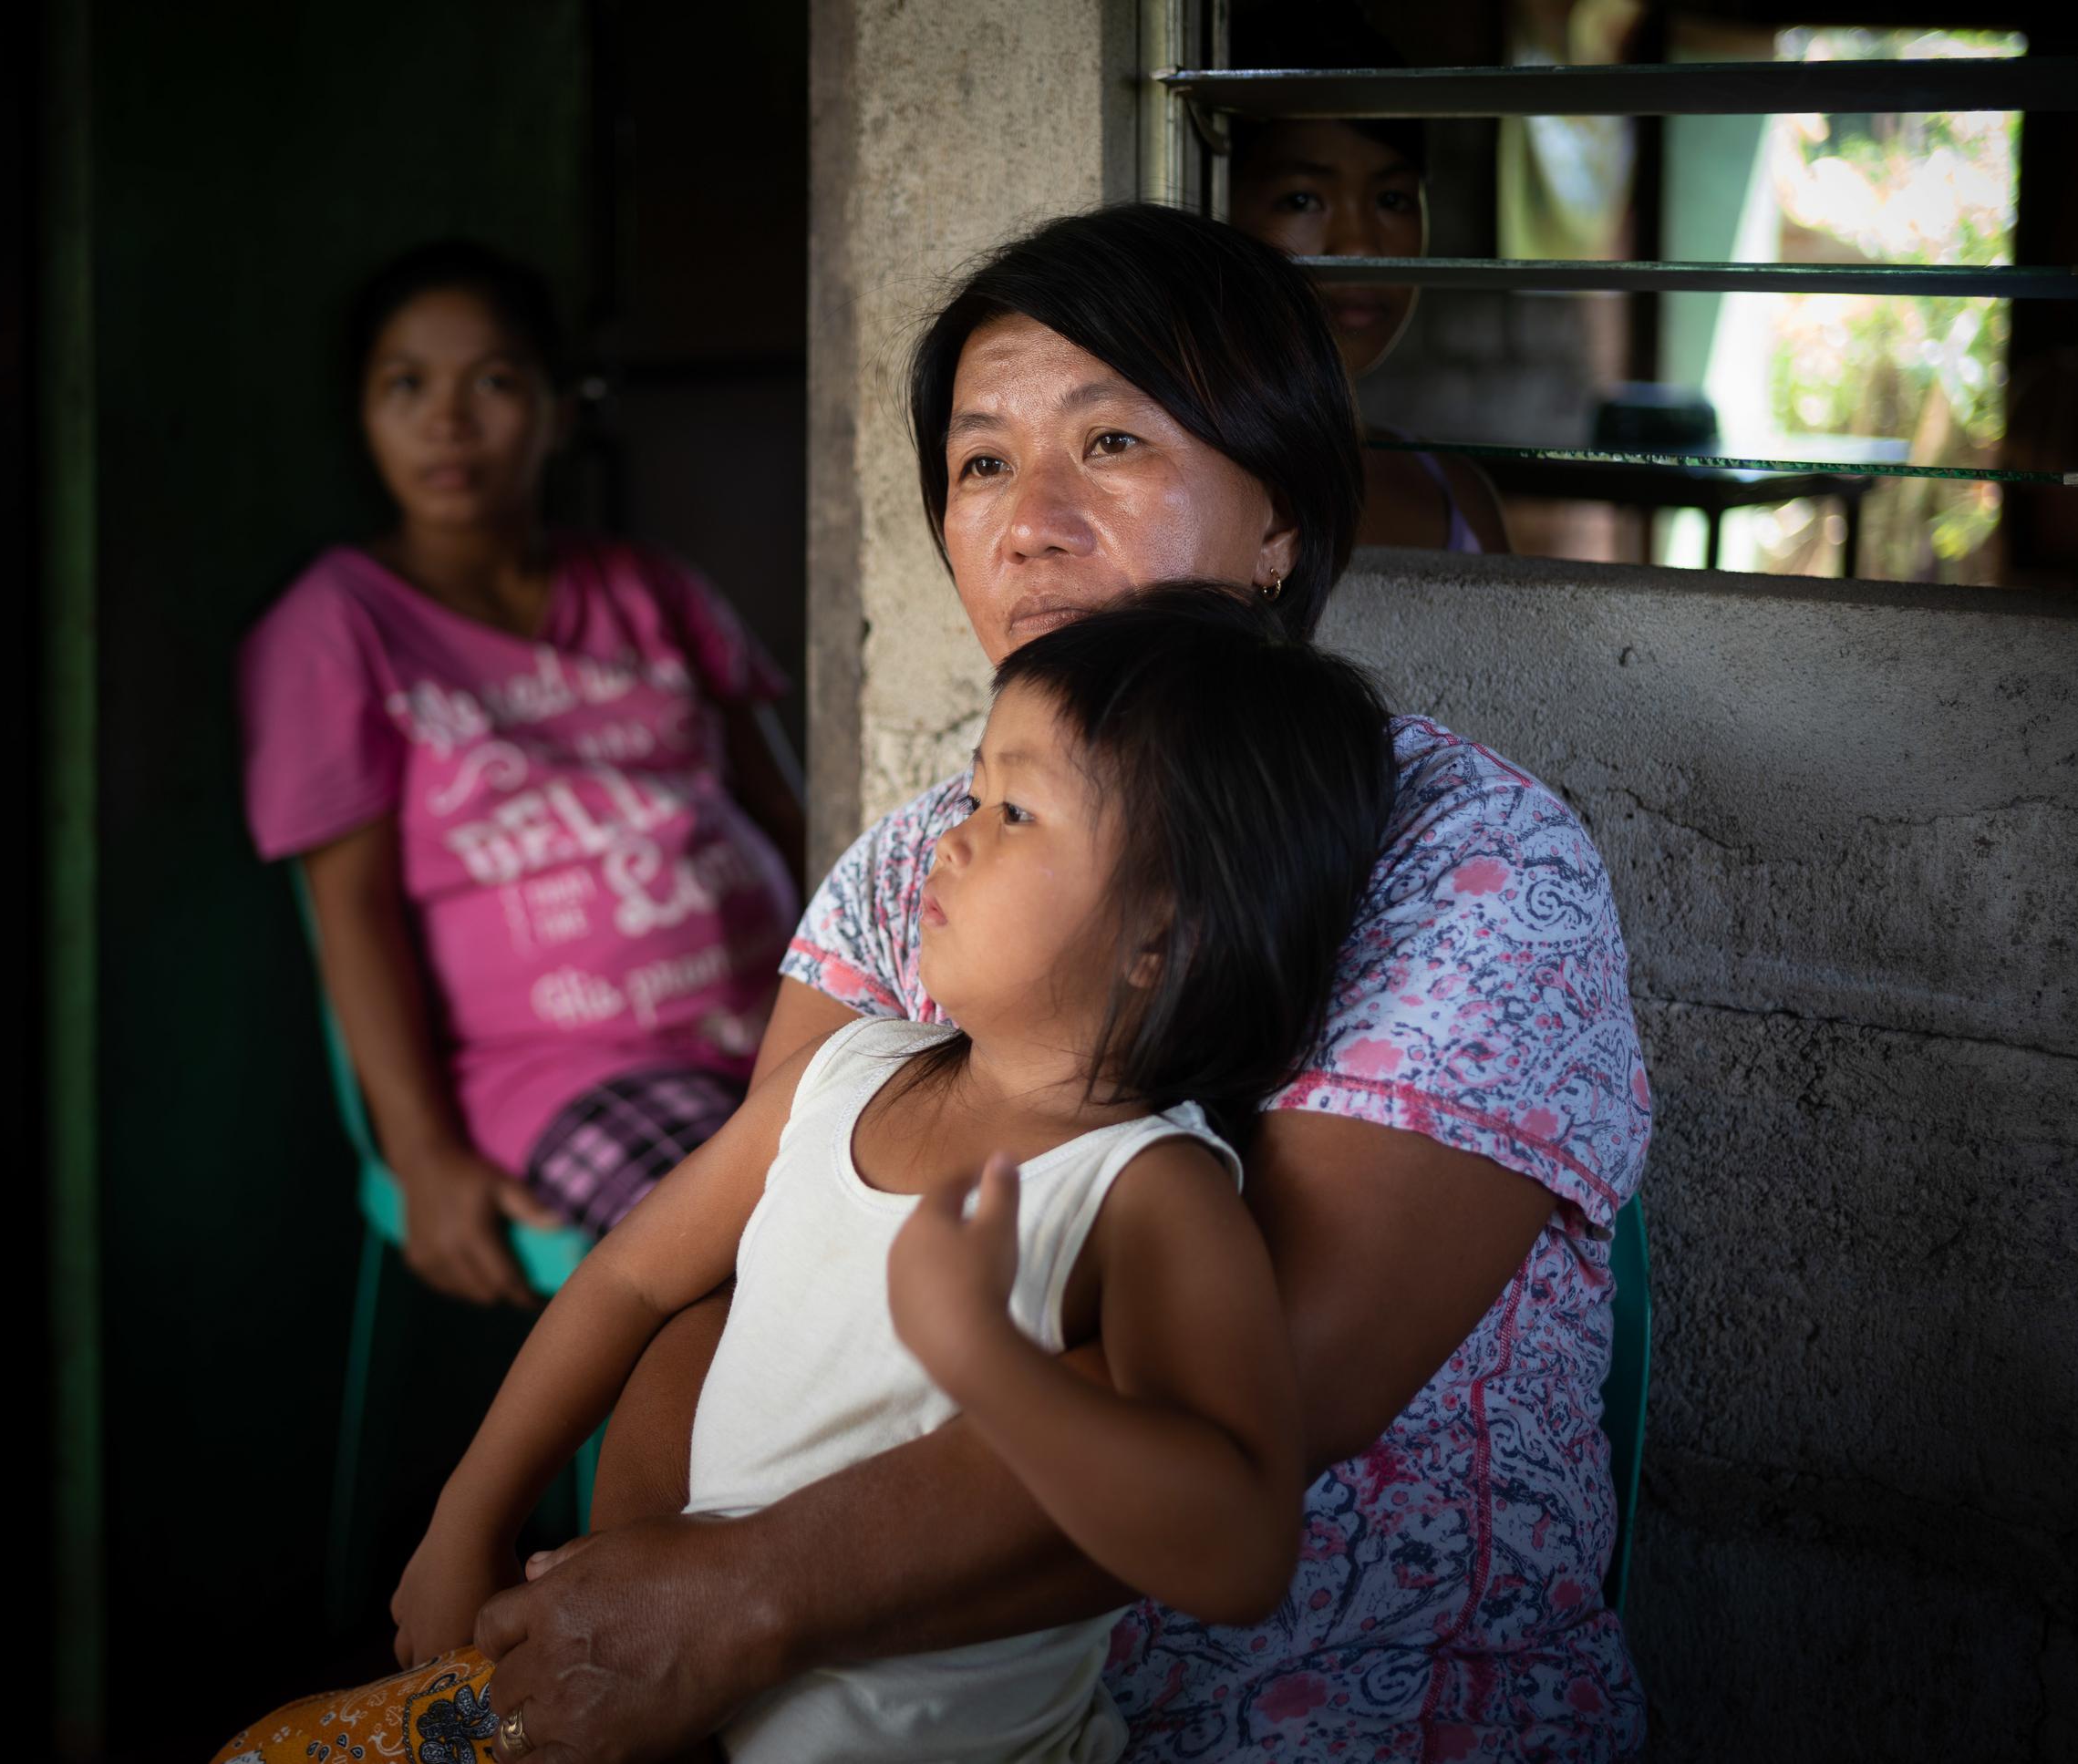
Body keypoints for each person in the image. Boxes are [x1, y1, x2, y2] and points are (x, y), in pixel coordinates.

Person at [212, 584, 1402, 1763]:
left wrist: (984, 1356)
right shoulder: (840, 1077)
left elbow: (1239, 1547)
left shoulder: (1148, 1194)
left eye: (1020, 811)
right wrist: (470, 1508)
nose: (954, 830)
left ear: (1164, 934)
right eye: (973, 786)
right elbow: (630, 1275)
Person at [238, 241, 805, 1306]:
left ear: (557, 406)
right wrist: (420, 1155)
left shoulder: (650, 589)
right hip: (568, 1075)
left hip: (786, 1036)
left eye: (493, 382)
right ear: (362, 412)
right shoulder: (336, 627)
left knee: (989, 1216)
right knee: (761, 1278)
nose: (447, 421)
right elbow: (350, 913)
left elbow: (785, 816)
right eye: (406, 385)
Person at [1223, 0, 1511, 554]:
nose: (1358, 245)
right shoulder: (1163, 492)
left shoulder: (1455, 494)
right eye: (1302, 199)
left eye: (1393, 198)